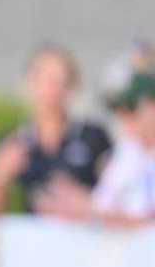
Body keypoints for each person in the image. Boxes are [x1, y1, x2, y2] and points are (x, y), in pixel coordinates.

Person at [0, 44, 112, 215]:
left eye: (60, 80)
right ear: (29, 83)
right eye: (45, 80)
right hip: (34, 231)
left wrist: (85, 202)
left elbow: (117, 196)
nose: (53, 89)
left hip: (85, 229)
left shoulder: (94, 137)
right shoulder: (15, 142)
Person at [39, 71, 155, 228]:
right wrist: (77, 202)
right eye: (120, 110)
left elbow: (148, 221)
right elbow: (102, 205)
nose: (123, 117)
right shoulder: (128, 152)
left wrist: (90, 211)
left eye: (131, 109)